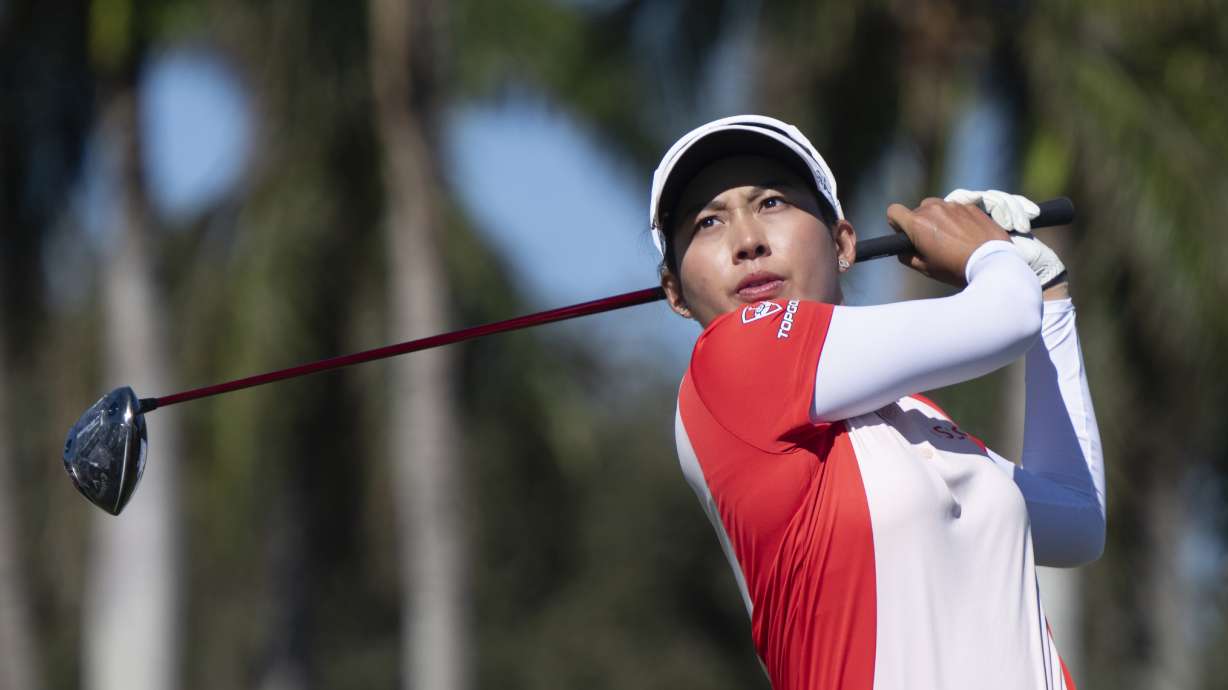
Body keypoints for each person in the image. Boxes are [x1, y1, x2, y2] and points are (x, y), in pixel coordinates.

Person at [650, 115, 1104, 690]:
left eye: (770, 203)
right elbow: (1004, 317)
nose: (748, 241)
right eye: (708, 221)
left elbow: (1077, 521)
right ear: (674, 292)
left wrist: (1047, 290)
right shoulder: (730, 362)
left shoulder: (915, 417)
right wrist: (990, 257)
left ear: (843, 243)